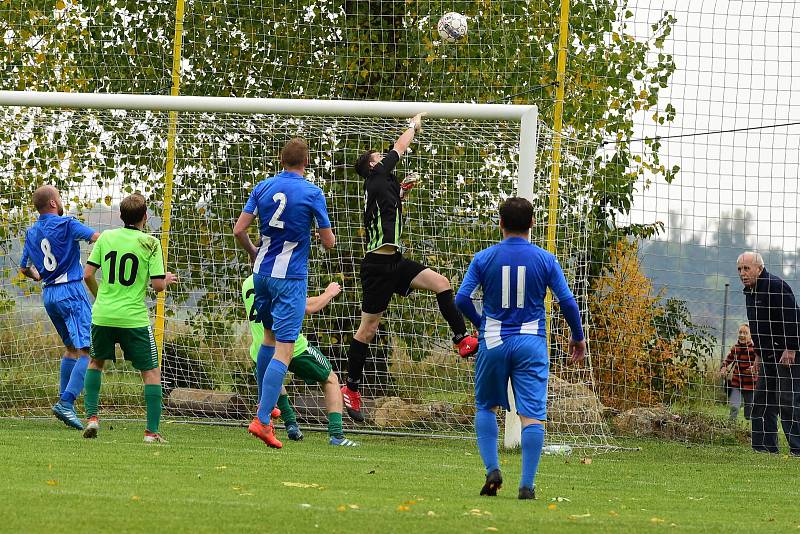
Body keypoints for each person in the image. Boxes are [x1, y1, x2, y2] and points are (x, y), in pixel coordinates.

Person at [341, 112, 478, 423]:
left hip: (395, 261)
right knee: (368, 329)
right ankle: (351, 387)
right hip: (377, 265)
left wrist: (402, 192)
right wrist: (414, 124)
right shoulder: (376, 176)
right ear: (374, 165)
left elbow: (389, 213)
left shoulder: (383, 185)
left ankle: (461, 339)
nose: (384, 156)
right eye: (380, 156)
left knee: (441, 283)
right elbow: (400, 146)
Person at [455, 197, 586, 500]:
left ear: (500, 223)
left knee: (486, 406)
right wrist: (578, 336)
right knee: (533, 415)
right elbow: (566, 301)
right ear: (532, 224)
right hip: (531, 343)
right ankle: (526, 485)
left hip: (494, 342)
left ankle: (492, 469)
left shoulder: (484, 258)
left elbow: (461, 299)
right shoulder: (545, 259)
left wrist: (481, 324)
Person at [233, 138, 335, 448]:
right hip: (290, 279)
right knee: (285, 350)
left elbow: (239, 230)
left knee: (268, 337)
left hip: (261, 274)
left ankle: (267, 405)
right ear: (307, 162)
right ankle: (263, 420)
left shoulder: (262, 187)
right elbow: (328, 241)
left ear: (281, 160)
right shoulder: (312, 192)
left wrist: (254, 251)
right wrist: (317, 233)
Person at [82, 193, 177, 442]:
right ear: (145, 217)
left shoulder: (107, 238)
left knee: (95, 363)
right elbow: (157, 286)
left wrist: (100, 295)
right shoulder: (150, 243)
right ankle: (151, 433)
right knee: (151, 372)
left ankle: (92, 418)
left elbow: (88, 274)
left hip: (103, 314)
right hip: (133, 319)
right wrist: (165, 279)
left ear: (121, 216)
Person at [19, 185, 100, 430]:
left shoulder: (32, 232)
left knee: (70, 349)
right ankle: (66, 402)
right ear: (54, 203)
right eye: (60, 197)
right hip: (71, 292)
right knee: (89, 350)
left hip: (50, 294)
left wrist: (39, 276)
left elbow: (24, 268)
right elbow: (97, 238)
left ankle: (67, 406)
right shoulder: (66, 224)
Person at [242, 275, 357, 447]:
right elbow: (307, 306)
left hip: (261, 348)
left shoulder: (248, 283)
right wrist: (329, 293)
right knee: (331, 379)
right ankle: (337, 435)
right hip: (293, 346)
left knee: (273, 381)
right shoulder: (279, 277)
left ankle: (291, 425)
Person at [737, 251, 800, 455]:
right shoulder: (750, 292)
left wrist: (791, 348)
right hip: (767, 355)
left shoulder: (776, 286)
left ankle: (797, 449)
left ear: (759, 268)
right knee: (762, 402)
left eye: (746, 268)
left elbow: (793, 318)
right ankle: (763, 448)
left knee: (788, 402)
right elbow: (757, 328)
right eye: (739, 269)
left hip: (787, 355)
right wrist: (758, 355)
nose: (742, 273)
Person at [719, 323, 758, 422]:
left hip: (750, 385)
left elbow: (759, 363)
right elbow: (729, 359)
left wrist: (754, 368)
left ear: (750, 336)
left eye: (745, 333)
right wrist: (724, 367)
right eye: (740, 332)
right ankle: (731, 425)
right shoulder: (735, 348)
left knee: (749, 412)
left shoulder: (754, 349)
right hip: (736, 383)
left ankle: (753, 428)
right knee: (734, 406)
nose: (742, 335)